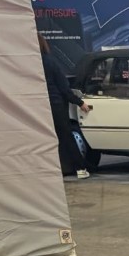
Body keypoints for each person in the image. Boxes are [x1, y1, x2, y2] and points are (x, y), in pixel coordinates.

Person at [40, 37, 93, 178]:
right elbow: (64, 88)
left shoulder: (31, 63)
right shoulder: (50, 62)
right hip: (56, 104)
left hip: (39, 105)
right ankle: (80, 168)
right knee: (66, 136)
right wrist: (80, 102)